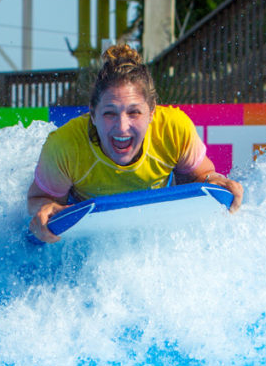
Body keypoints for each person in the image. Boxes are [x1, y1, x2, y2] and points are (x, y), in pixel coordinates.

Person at [27, 43, 243, 243]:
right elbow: (39, 199)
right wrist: (45, 208)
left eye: (134, 112)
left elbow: (203, 176)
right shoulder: (65, 146)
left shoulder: (173, 129)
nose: (122, 127)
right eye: (110, 113)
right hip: (89, 230)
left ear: (151, 112)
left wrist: (216, 180)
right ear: (93, 113)